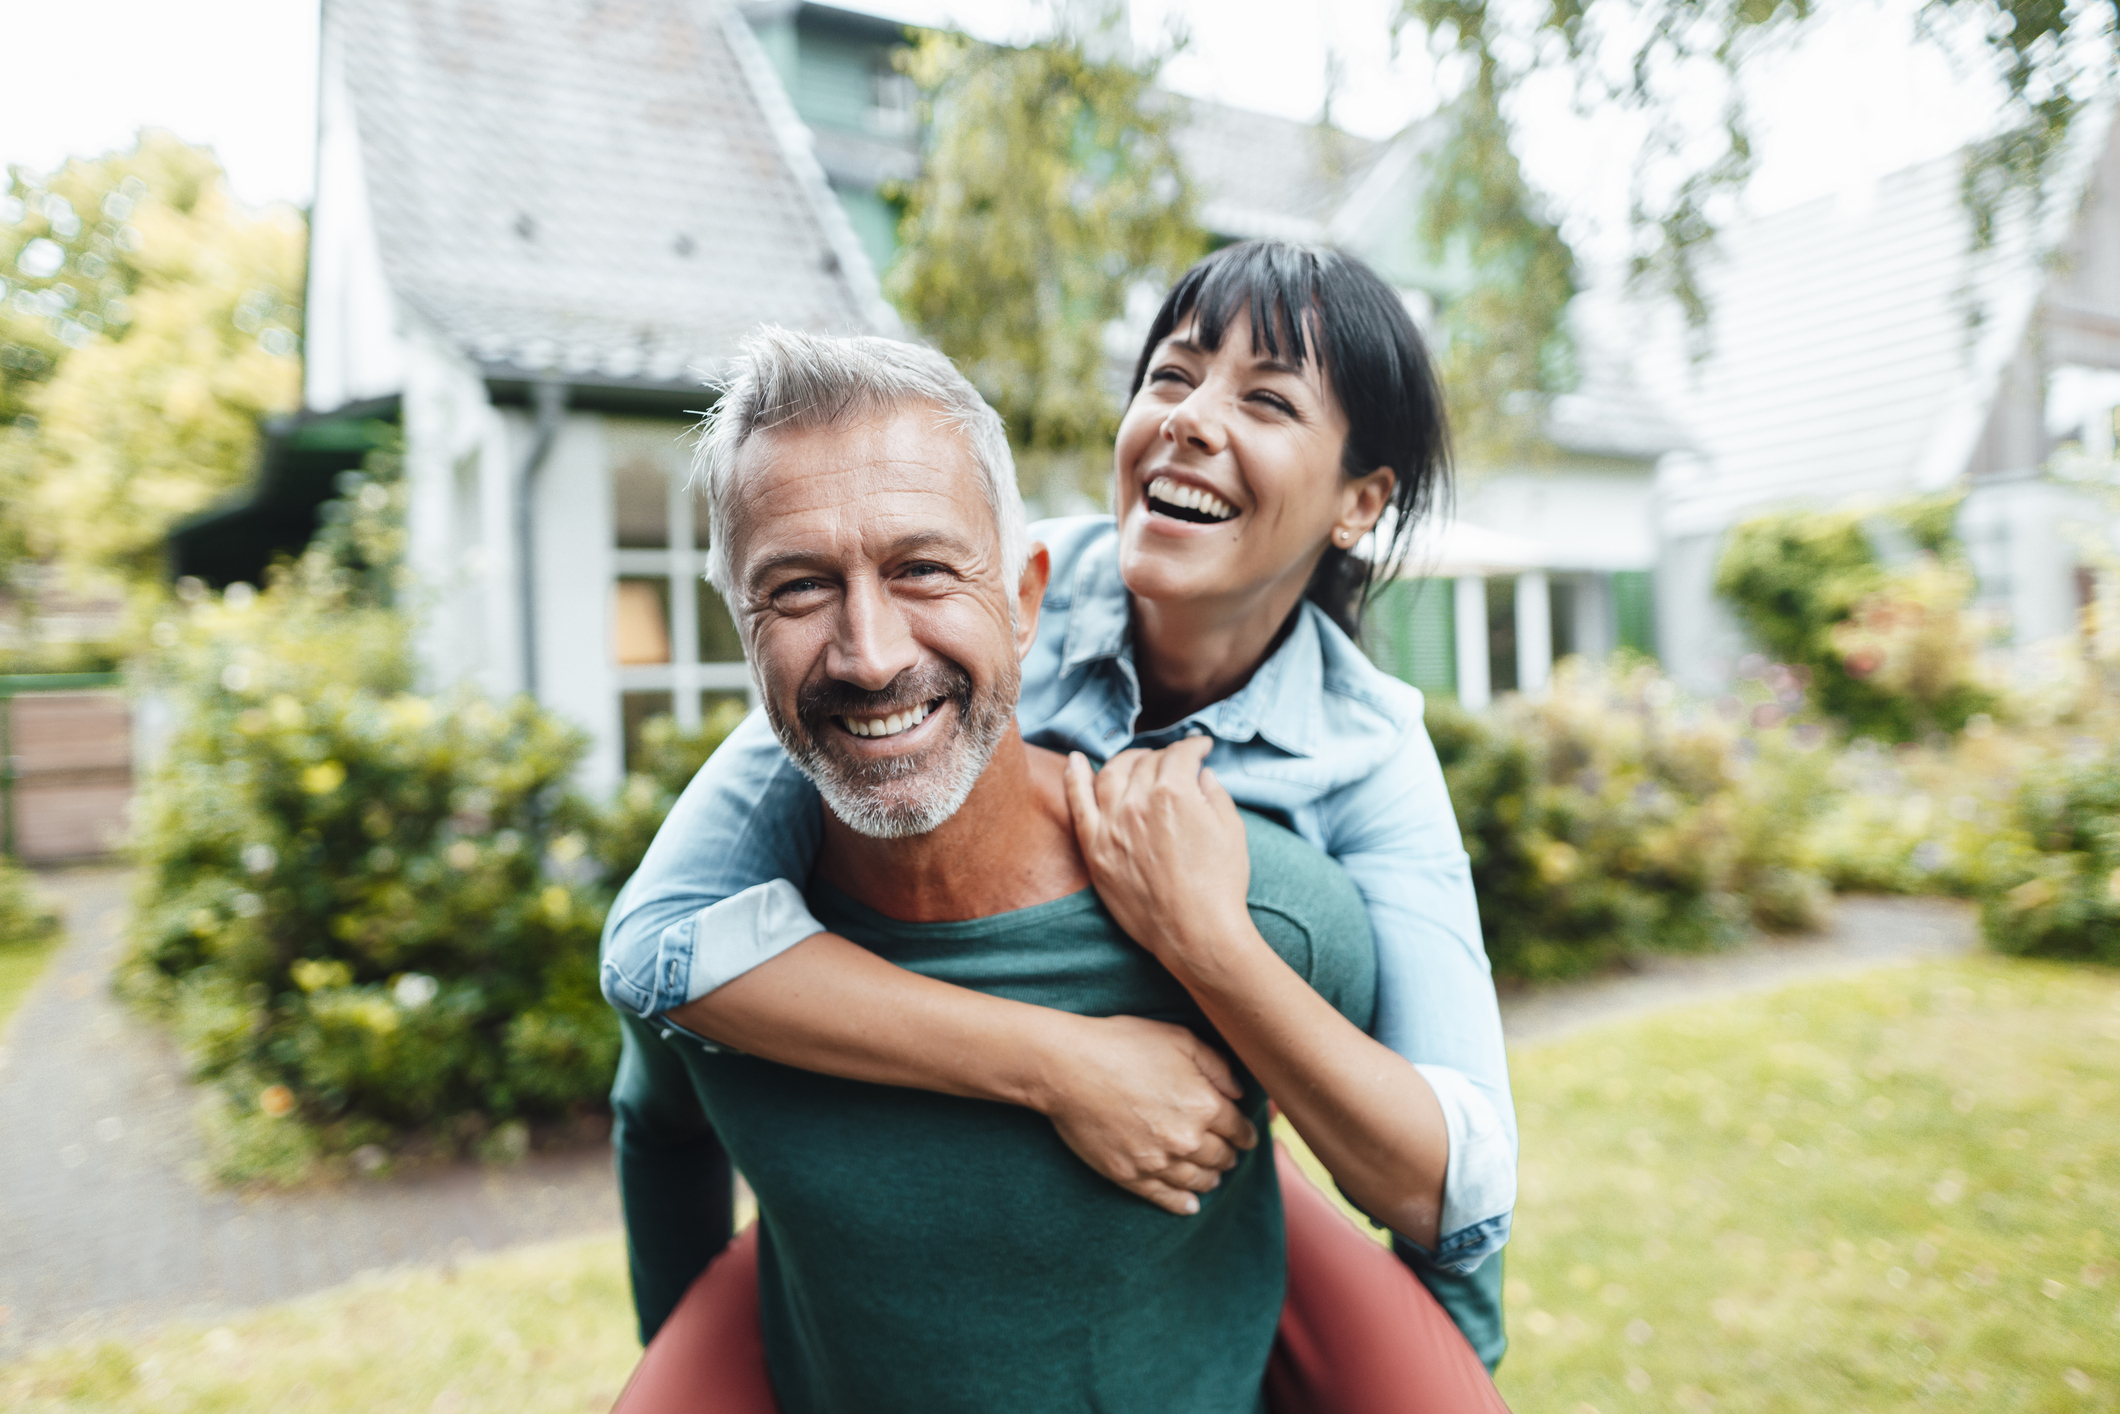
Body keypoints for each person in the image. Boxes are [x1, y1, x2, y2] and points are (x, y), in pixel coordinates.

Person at [605, 241, 1516, 1372]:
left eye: (1267, 398)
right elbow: (653, 944)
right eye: (1170, 376)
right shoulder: (945, 605)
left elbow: (1461, 1186)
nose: (1188, 418)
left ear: (1358, 502)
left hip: (1238, 1118)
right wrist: (1064, 1060)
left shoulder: (1364, 753)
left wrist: (1204, 939)